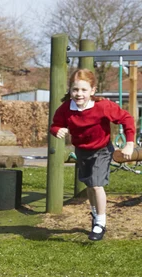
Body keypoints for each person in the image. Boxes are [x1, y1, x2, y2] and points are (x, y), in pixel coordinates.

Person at [50, 68, 135, 241]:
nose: (79, 94)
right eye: (75, 90)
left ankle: (101, 223)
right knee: (89, 184)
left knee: (96, 184)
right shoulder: (66, 108)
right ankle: (95, 213)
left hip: (102, 149)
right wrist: (57, 130)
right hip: (82, 150)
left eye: (83, 90)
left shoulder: (103, 106)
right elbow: (55, 124)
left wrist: (129, 144)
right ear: (70, 90)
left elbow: (126, 118)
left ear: (92, 90)